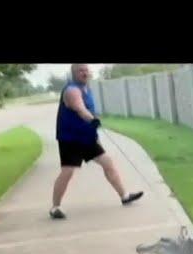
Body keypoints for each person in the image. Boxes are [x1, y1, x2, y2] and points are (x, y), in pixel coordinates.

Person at [50, 64, 143, 219]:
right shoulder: (72, 90)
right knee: (68, 171)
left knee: (107, 163)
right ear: (74, 73)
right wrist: (92, 120)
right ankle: (55, 207)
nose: (84, 73)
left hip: (87, 138)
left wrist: (95, 134)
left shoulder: (87, 89)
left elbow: (88, 109)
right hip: (70, 139)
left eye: (86, 70)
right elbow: (80, 109)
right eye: (81, 71)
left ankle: (124, 196)